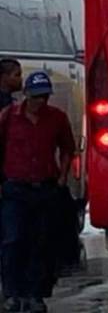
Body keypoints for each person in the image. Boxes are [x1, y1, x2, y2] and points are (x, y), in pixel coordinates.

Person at [1, 71, 76, 312]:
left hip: (45, 188)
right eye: (36, 97)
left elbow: (67, 148)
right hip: (15, 188)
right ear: (26, 95)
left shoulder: (57, 118)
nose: (40, 102)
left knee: (41, 243)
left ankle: (36, 294)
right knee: (13, 240)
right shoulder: (8, 118)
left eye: (44, 97)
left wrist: (63, 176)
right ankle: (13, 293)